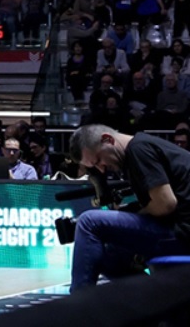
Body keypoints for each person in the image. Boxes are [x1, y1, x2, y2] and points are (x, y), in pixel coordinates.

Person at [68, 124, 190, 293]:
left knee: (88, 221)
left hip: (182, 232)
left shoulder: (138, 149)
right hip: (179, 228)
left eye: (98, 160)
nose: (101, 168)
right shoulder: (143, 148)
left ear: (108, 139)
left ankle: (76, 306)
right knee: (109, 255)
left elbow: (165, 205)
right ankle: (153, 300)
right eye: (94, 167)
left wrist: (131, 213)